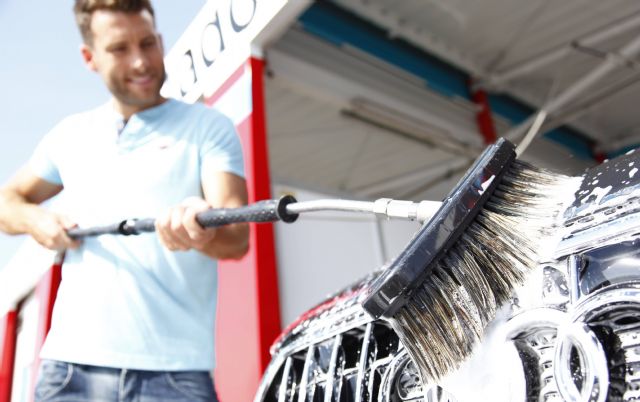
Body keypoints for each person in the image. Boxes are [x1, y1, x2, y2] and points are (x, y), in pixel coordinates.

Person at [0, 0, 249, 400]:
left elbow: (237, 235)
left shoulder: (209, 126)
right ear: (90, 57)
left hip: (175, 378)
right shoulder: (69, 134)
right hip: (68, 372)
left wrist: (202, 231)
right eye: (120, 49)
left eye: (148, 43)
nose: (140, 63)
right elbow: (7, 202)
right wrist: (36, 221)